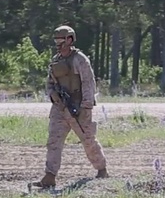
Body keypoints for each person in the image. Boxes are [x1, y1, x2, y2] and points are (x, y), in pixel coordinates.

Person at [32, 25, 108, 189]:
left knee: (88, 140)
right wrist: (53, 95)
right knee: (53, 141)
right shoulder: (56, 60)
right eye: (56, 40)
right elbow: (50, 83)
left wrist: (86, 107)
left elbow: (88, 83)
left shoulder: (80, 60)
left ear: (70, 39)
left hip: (78, 108)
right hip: (60, 108)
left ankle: (102, 169)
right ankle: (50, 175)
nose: (58, 43)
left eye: (61, 39)